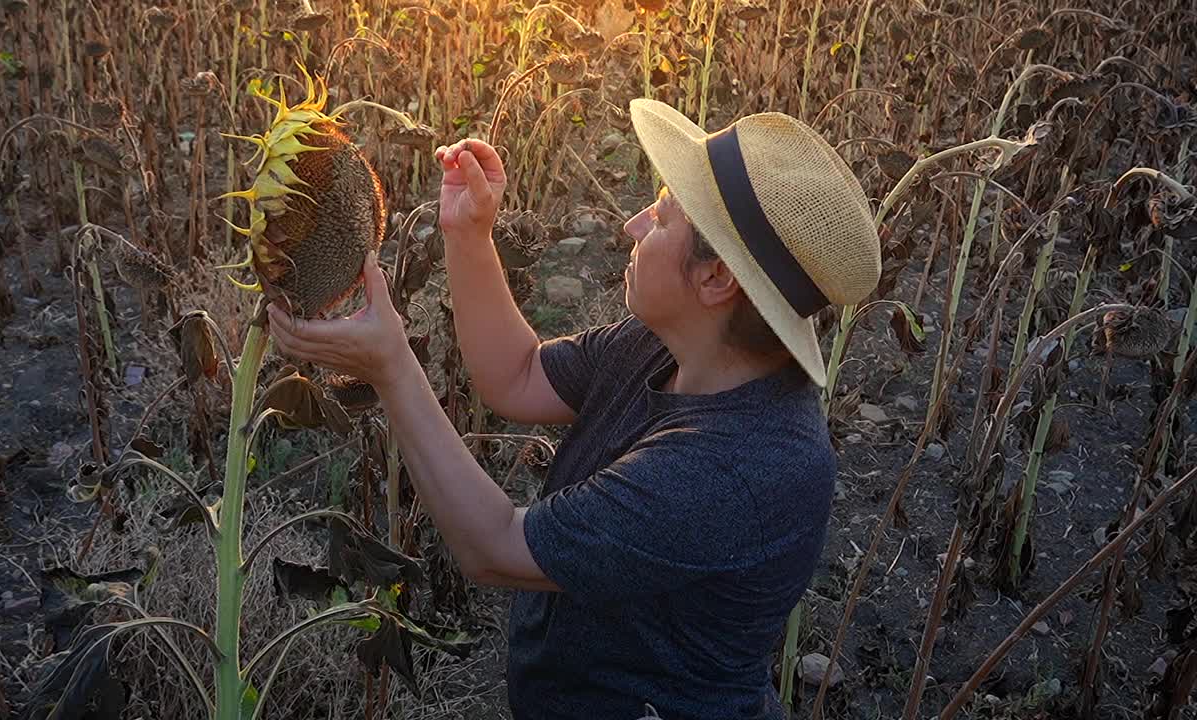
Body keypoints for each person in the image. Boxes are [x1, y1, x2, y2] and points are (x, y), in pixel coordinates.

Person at [266, 98, 882, 719]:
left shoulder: (739, 471)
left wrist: (391, 367)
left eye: (663, 217)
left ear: (717, 279)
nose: (633, 226)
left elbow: (496, 547)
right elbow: (519, 375)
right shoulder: (669, 345)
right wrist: (469, 234)